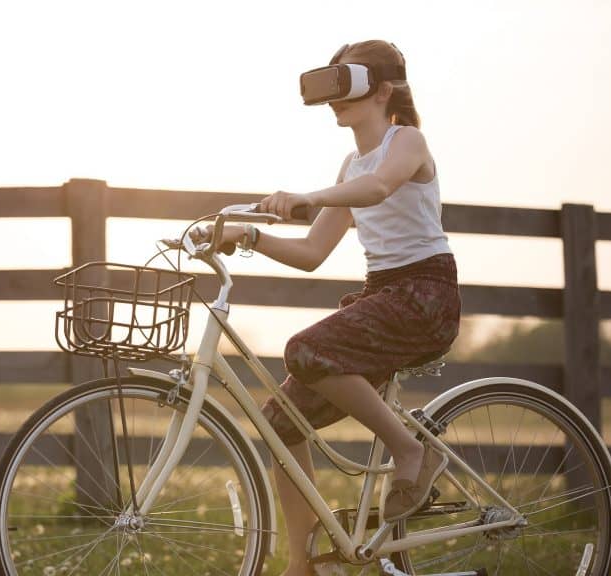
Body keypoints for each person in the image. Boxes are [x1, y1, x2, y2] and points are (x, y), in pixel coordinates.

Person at [197, 40, 461, 576]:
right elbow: (312, 253)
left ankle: (411, 452)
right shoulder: (348, 165)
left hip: (425, 297)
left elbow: (380, 187)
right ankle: (306, 566)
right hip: (384, 296)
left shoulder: (406, 140)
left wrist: (312, 197)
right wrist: (248, 234)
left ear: (383, 90)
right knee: (281, 423)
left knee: (306, 349)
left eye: (345, 87)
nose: (334, 103)